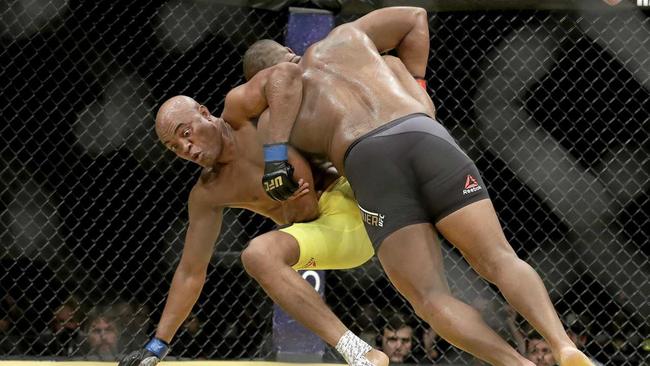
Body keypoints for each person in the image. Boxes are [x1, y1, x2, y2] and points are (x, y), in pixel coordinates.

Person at [240, 6, 593, 366]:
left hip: (368, 159)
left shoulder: (273, 122)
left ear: (260, 83)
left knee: (429, 296)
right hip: (425, 132)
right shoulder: (345, 38)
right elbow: (414, 17)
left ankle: (516, 364)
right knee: (500, 258)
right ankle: (563, 344)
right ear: (289, 52)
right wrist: (415, 85)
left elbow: (305, 204)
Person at [118, 92, 388, 365]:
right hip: (338, 232)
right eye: (173, 147)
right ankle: (359, 352)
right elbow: (191, 272)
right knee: (258, 255)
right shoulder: (208, 193)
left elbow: (282, 72)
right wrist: (156, 347)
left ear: (204, 112)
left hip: (362, 194)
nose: (184, 148)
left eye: (185, 133)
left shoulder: (248, 116)